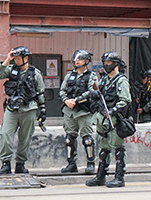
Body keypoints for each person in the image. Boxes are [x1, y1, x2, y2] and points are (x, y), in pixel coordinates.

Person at [0, 46, 46, 174]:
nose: (16, 61)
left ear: (26, 58)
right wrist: (8, 59)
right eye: (15, 58)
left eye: (18, 58)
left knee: (25, 138)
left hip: (29, 109)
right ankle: (5, 163)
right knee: (5, 134)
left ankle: (20, 164)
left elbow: (40, 93)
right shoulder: (11, 70)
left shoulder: (35, 73)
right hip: (12, 109)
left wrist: (42, 111)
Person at [85, 51, 132, 188]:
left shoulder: (121, 80)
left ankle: (119, 177)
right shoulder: (105, 79)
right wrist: (93, 93)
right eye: (104, 63)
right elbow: (98, 91)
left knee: (118, 148)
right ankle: (101, 176)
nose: (106, 65)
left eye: (109, 63)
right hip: (102, 119)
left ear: (116, 64)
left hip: (114, 119)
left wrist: (113, 111)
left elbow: (125, 100)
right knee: (104, 149)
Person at [59, 49, 96, 174]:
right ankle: (71, 164)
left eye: (79, 59)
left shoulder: (91, 76)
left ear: (86, 61)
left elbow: (91, 91)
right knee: (69, 139)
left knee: (87, 139)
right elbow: (62, 90)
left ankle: (90, 163)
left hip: (84, 112)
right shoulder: (69, 75)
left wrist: (76, 100)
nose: (77, 61)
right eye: (76, 59)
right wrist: (66, 100)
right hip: (69, 111)